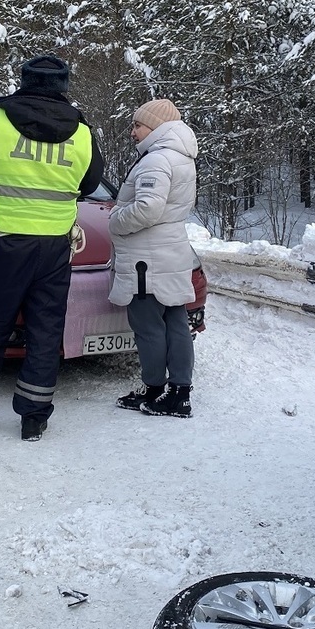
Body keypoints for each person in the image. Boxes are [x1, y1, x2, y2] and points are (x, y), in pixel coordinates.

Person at [0, 55, 105, 441]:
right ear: (64, 86)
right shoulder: (82, 131)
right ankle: (34, 417)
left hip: (3, 242)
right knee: (46, 330)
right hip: (55, 247)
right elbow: (89, 184)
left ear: (24, 81)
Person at [108, 98, 198, 417]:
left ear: (157, 126)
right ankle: (179, 393)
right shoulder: (182, 157)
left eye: (138, 124)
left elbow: (147, 208)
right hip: (171, 251)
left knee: (147, 325)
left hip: (147, 258)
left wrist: (115, 220)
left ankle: (155, 388)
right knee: (176, 321)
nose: (133, 131)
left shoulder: (156, 160)